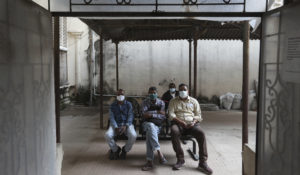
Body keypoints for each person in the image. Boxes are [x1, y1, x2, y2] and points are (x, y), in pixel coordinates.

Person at [168, 84, 213, 174]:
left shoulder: (194, 101)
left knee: (201, 133)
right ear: (178, 91)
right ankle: (180, 159)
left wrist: (193, 122)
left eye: (184, 89)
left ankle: (202, 162)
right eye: (180, 90)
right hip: (178, 123)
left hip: (192, 124)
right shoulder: (173, 101)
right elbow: (171, 115)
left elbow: (198, 115)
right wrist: (180, 122)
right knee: (174, 131)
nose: (182, 91)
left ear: (188, 91)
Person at [105, 89, 137, 160]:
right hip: (115, 125)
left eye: (122, 94)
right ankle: (116, 149)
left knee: (133, 135)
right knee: (107, 135)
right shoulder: (113, 105)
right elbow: (111, 117)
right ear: (116, 96)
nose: (120, 96)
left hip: (127, 125)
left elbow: (130, 115)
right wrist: (116, 127)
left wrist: (126, 125)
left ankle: (125, 150)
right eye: (118, 95)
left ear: (124, 96)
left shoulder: (128, 104)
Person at [141, 86, 167, 171]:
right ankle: (159, 153)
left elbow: (163, 116)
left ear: (157, 94)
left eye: (154, 93)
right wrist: (157, 112)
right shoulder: (144, 102)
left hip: (158, 126)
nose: (152, 94)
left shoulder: (161, 103)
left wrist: (151, 114)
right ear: (148, 93)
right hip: (146, 124)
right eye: (151, 93)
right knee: (150, 126)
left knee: (150, 132)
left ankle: (150, 162)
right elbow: (144, 115)